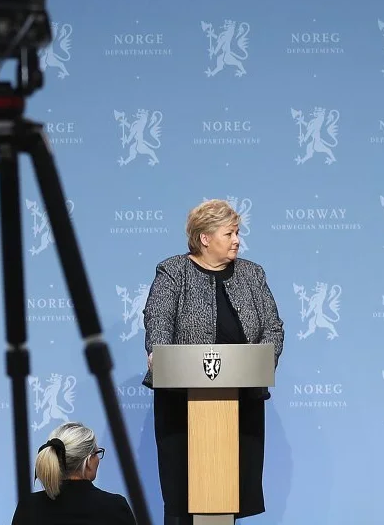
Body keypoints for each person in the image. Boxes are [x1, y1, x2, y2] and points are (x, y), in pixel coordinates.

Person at [141, 199, 284, 525]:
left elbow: (272, 328)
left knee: (228, 493)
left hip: (241, 401)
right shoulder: (173, 272)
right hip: (182, 404)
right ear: (204, 238)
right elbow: (158, 320)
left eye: (237, 233)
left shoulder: (252, 274)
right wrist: (157, 353)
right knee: (182, 498)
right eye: (229, 233)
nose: (237, 240)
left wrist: (262, 361)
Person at [10, 421, 136, 525]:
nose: (98, 459)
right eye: (97, 453)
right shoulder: (115, 507)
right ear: (88, 461)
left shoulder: (28, 507)